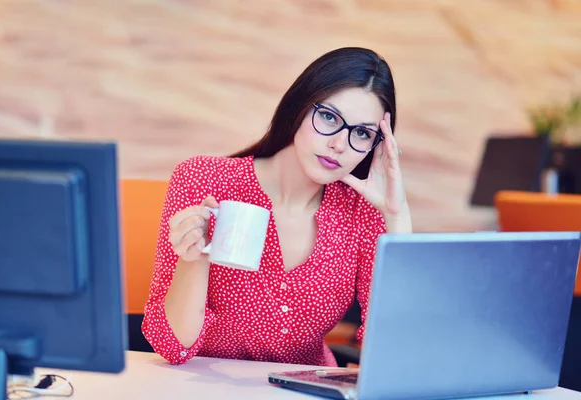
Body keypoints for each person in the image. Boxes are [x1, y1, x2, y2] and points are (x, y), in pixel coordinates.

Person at [141, 47, 413, 367]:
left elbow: (393, 357)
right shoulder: (204, 179)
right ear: (299, 106)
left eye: (362, 133)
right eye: (329, 117)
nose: (339, 144)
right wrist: (193, 260)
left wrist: (397, 218)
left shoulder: (364, 212)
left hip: (307, 388)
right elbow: (173, 347)